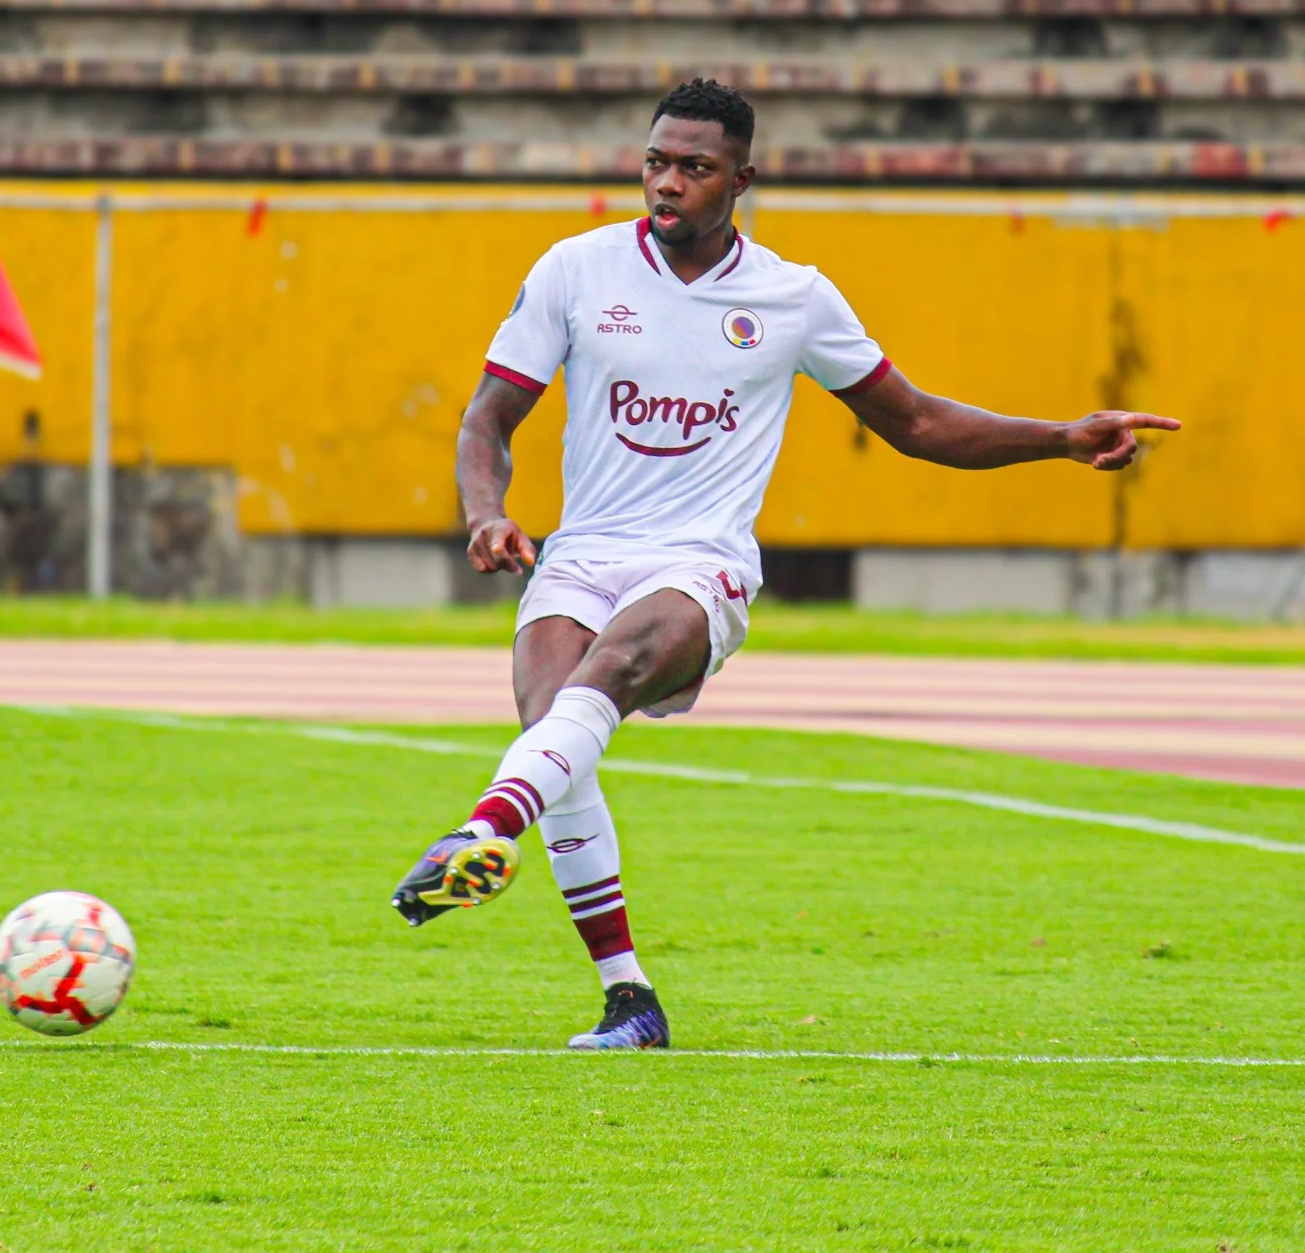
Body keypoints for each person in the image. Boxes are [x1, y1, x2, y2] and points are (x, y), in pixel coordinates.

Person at [390, 77, 1181, 1051]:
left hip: (701, 565)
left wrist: (1059, 437)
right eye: (655, 163)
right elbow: (488, 418)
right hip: (583, 555)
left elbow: (920, 423)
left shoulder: (793, 298)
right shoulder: (575, 269)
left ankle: (482, 834)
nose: (667, 184)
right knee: (560, 741)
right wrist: (486, 514)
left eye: (694, 167)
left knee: (605, 678)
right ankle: (629, 1002)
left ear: (741, 180)